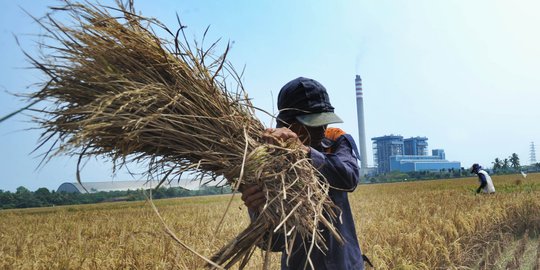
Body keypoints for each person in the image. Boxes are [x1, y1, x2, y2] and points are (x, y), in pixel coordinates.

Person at [240, 77, 366, 269]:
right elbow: (273, 243)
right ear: (288, 125)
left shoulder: (335, 140)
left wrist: (303, 152)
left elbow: (349, 178)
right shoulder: (268, 166)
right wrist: (258, 209)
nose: (323, 129)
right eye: (314, 124)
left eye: (324, 121)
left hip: (346, 264)